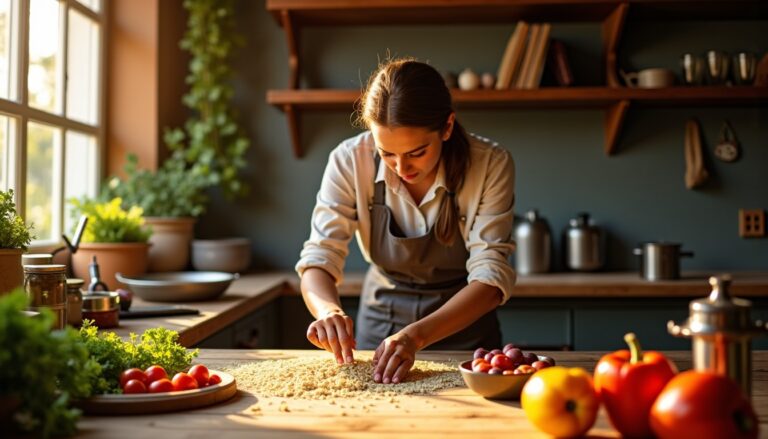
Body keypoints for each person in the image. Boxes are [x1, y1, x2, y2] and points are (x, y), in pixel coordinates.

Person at [295, 59, 516, 384]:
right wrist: (329, 311)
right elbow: (319, 257)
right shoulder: (349, 160)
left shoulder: (490, 164)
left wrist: (416, 336)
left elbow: (491, 275)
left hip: (464, 330)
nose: (401, 168)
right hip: (380, 327)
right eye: (387, 153)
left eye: (416, 152)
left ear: (447, 127)